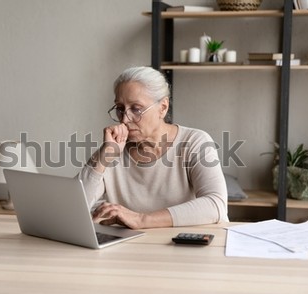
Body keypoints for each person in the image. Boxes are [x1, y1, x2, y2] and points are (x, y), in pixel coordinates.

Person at [78, 66, 228, 229]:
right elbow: (74, 208)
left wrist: (141, 220)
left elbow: (215, 205)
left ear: (162, 107)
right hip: (135, 248)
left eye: (136, 109)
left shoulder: (194, 141)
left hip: (188, 246)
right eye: (120, 109)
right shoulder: (113, 148)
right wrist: (104, 156)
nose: (125, 119)